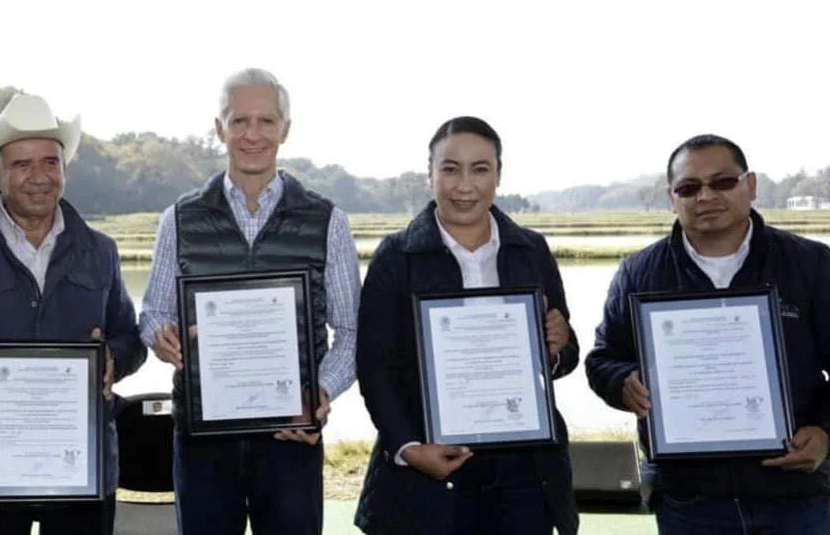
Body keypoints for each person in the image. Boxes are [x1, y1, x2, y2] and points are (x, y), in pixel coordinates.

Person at [0, 93, 146, 535]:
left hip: (82, 472)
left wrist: (113, 357)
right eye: (21, 165)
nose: (39, 178)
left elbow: (130, 339)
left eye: (50, 162)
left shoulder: (100, 251)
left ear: (64, 170)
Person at [139, 67, 361, 535]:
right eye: (239, 121)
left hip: (291, 436)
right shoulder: (178, 218)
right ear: (219, 128)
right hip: (201, 440)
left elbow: (352, 330)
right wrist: (162, 339)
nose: (252, 135)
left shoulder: (328, 220)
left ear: (285, 128)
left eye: (265, 121)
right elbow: (155, 312)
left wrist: (318, 393)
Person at [586, 133, 830, 533]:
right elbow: (603, 359)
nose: (705, 196)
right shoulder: (640, 273)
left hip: (795, 495)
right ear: (672, 198)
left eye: (722, 182)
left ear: (750, 185)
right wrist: (622, 381)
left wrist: (824, 433)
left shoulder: (811, 264)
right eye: (689, 187)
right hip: (688, 500)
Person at [354, 116, 579, 535]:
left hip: (523, 472)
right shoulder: (396, 255)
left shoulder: (532, 250)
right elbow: (374, 366)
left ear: (498, 175)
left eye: (480, 169)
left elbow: (563, 352)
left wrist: (559, 345)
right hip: (430, 467)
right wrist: (409, 448)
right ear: (430, 174)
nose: (464, 185)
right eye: (450, 168)